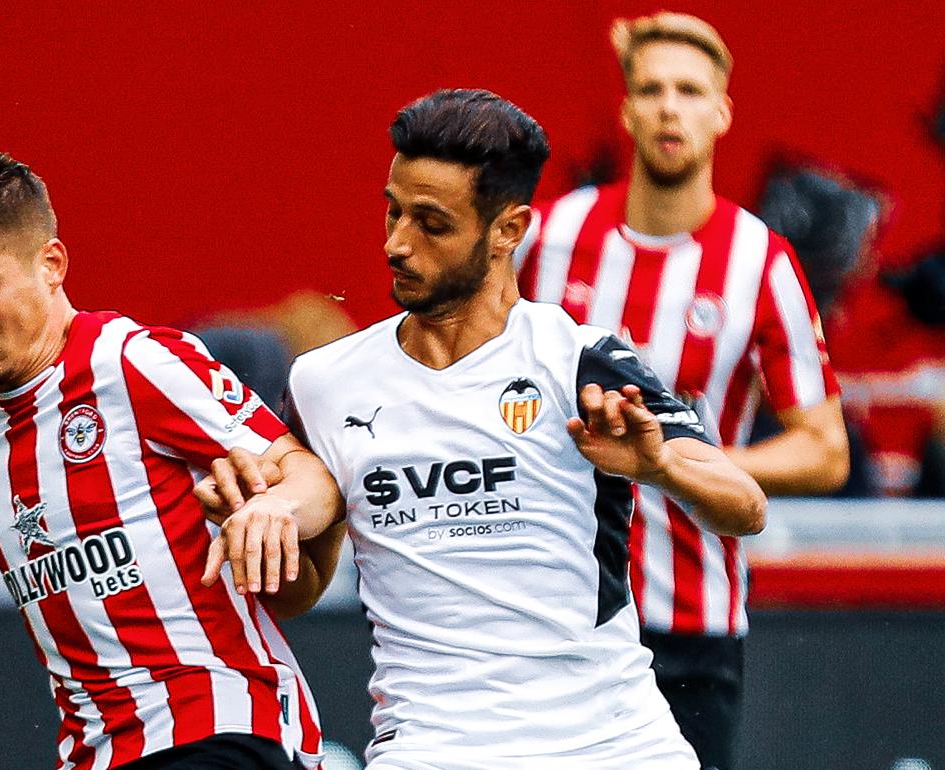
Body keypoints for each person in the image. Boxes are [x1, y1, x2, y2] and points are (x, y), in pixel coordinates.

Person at [198, 89, 767, 770]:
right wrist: (261, 530)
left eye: (432, 224)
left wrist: (658, 467)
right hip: (432, 750)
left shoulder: (580, 358)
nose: (397, 244)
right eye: (393, 211)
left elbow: (745, 507)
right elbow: (300, 592)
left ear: (507, 230)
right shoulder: (326, 382)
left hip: (613, 746)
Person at [0, 148, 345, 770]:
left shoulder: (134, 364)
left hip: (215, 728)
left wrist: (274, 509)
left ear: (51, 264)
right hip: (95, 753)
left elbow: (312, 476)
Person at [513, 13, 849, 769]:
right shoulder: (551, 234)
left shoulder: (761, 263)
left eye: (691, 91)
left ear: (722, 112)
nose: (671, 107)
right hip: (551, 615)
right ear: (627, 110)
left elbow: (825, 452)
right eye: (652, 89)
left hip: (691, 623)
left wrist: (681, 459)